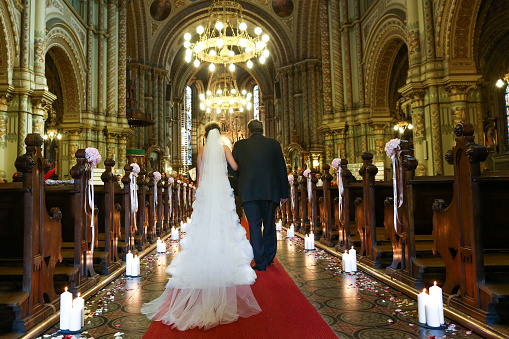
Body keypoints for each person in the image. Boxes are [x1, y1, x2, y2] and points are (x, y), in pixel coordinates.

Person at [141, 121, 261, 330]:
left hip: (207, 190)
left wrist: (199, 193)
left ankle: (205, 255)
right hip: (222, 190)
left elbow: (199, 177)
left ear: (205, 135)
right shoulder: (224, 148)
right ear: (219, 134)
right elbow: (234, 167)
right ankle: (222, 257)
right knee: (225, 225)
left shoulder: (202, 150)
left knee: (204, 225)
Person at [231, 119, 288, 271]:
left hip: (249, 192)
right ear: (262, 130)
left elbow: (232, 168)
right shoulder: (274, 144)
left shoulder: (240, 145)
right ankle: (269, 257)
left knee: (254, 227)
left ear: (248, 131)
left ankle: (260, 262)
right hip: (271, 191)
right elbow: (281, 169)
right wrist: (284, 193)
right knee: (269, 224)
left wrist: (242, 180)